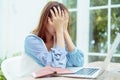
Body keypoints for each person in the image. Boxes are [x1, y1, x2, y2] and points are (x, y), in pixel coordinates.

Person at [24, 1, 84, 68]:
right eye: (57, 22)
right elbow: (57, 67)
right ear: (45, 21)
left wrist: (64, 31)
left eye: (63, 22)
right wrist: (59, 31)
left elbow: (79, 63)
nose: (59, 26)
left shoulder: (58, 39)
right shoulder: (31, 40)